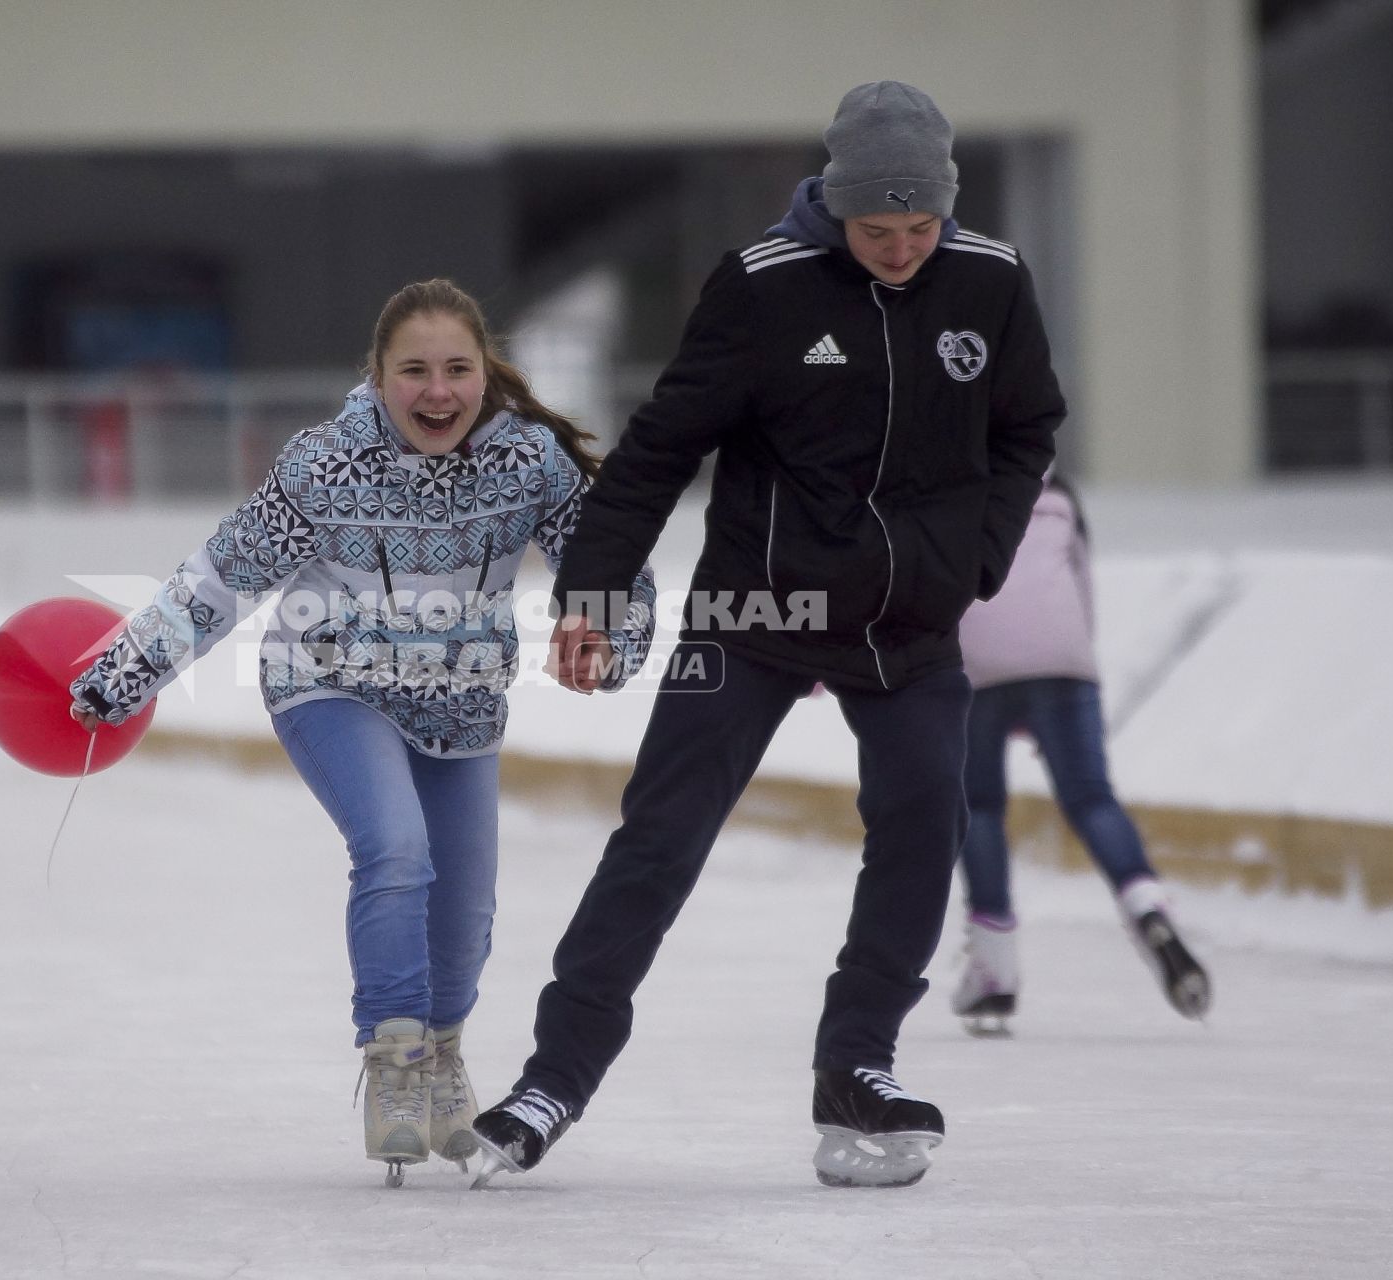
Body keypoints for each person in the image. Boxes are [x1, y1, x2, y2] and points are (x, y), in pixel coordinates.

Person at [468, 81, 1065, 1190]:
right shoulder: (763, 289)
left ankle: (858, 1062)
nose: (898, 249)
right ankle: (555, 1073)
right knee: (660, 834)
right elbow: (655, 452)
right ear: (831, 207)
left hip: (910, 620)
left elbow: (1027, 422)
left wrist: (975, 554)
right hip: (754, 609)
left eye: (918, 227)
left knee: (921, 821)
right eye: (874, 229)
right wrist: (590, 597)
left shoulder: (989, 279)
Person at [67, 279, 657, 1186]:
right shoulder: (322, 464)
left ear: (483, 374)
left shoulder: (529, 463)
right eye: (413, 371)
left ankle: (444, 1046)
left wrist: (607, 637)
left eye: (457, 369)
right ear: (378, 379)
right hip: (327, 684)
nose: (438, 392)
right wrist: (126, 670)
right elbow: (217, 578)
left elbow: (615, 559)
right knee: (394, 850)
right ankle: (394, 1062)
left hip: (460, 705)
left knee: (464, 917)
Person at [950, 474, 1212, 1034]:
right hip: (1065, 660)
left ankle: (995, 969)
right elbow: (1082, 590)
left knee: (979, 805)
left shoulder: (943, 480)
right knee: (1092, 798)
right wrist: (1062, 682)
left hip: (977, 660)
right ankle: (1147, 906)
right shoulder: (1060, 497)